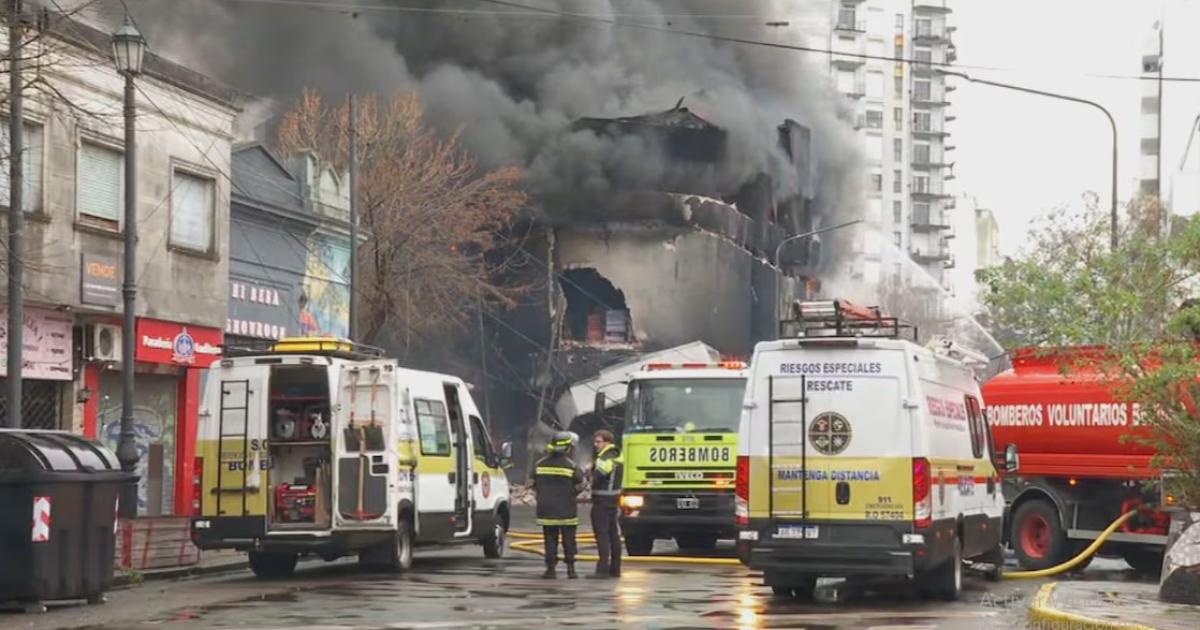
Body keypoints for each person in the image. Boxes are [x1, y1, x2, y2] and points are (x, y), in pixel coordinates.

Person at [532, 431, 584, 579]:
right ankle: (571, 569)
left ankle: (550, 570)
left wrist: (542, 493)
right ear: (568, 448)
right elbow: (581, 485)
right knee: (569, 540)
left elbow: (531, 483)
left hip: (546, 510)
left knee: (549, 540)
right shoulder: (571, 466)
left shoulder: (539, 464)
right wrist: (571, 494)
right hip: (567, 510)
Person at [588, 429, 623, 579]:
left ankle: (602, 569)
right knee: (613, 535)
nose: (596, 445)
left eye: (599, 442)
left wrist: (588, 472)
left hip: (602, 501)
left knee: (602, 535)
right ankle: (615, 569)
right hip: (613, 499)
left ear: (608, 442)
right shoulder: (617, 455)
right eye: (595, 442)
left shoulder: (605, 457)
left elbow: (598, 476)